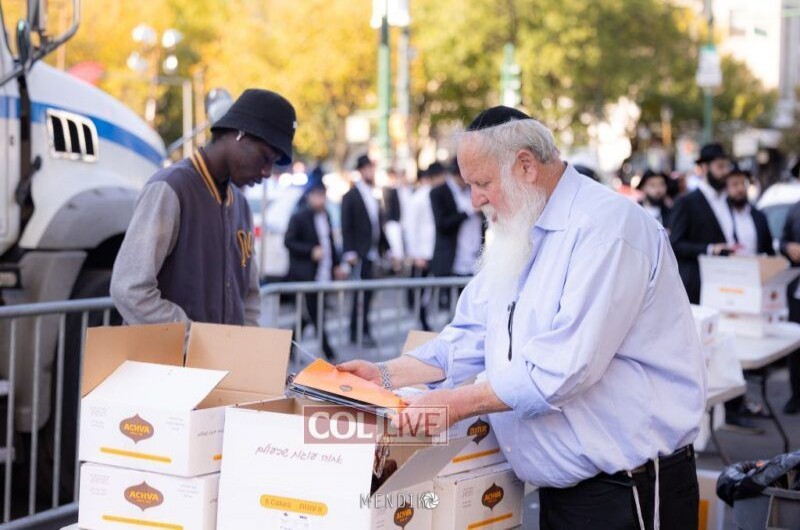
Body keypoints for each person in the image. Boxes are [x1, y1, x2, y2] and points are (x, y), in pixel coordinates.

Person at [340, 107, 706, 530]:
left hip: (627, 493)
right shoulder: (518, 230)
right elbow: (468, 337)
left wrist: (452, 404)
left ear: (526, 166)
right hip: (565, 495)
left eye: (482, 184)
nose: (475, 200)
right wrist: (384, 376)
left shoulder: (605, 229)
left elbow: (563, 370)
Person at [111, 89, 296, 326]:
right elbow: (129, 288)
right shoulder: (170, 188)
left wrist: (246, 348)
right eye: (265, 157)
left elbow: (249, 296)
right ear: (239, 134)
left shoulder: (240, 205)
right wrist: (194, 340)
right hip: (164, 361)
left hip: (224, 361)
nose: (267, 172)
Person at [668, 143, 735, 305]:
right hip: (697, 286)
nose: (725, 172)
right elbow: (675, 244)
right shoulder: (686, 202)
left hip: (728, 284)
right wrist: (710, 249)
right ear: (704, 168)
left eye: (726, 167)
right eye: (720, 167)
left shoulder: (729, 201)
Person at [284, 180, 343, 359]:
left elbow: (330, 243)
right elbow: (289, 241)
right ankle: (328, 351)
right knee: (315, 313)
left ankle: (289, 347)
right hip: (306, 275)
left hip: (323, 273)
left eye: (322, 195)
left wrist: (337, 265)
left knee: (308, 315)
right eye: (317, 195)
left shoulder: (326, 215)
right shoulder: (299, 217)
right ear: (310, 196)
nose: (320, 200)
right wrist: (310, 251)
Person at [341, 154, 388, 346]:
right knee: (359, 295)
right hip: (359, 254)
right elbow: (347, 225)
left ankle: (362, 329)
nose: (371, 172)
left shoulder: (374, 194)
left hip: (372, 253)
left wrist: (387, 250)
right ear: (361, 170)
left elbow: (377, 225)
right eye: (368, 168)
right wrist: (349, 252)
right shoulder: (351, 196)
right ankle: (358, 331)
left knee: (368, 295)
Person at [429, 161, 484, 278]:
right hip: (451, 260)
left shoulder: (474, 189)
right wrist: (468, 212)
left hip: (474, 256)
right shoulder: (439, 192)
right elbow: (442, 224)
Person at [406, 167, 437, 330]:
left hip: (432, 250)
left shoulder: (435, 195)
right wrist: (415, 254)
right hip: (422, 252)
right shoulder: (418, 198)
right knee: (421, 290)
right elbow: (411, 227)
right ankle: (421, 321)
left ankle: (424, 320)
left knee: (428, 291)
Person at [780, 182, 800, 414]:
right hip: (796, 289)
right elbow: (783, 240)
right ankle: (796, 395)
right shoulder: (794, 210)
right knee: (796, 346)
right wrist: (788, 246)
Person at [725, 166, 774, 257]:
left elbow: (769, 251)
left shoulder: (759, 217)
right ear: (726, 188)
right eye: (735, 184)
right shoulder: (722, 216)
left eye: (743, 183)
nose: (740, 189)